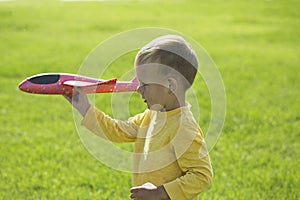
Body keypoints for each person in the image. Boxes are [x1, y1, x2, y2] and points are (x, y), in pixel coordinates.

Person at [64, 35, 213, 200]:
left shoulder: (183, 127)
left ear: (170, 85)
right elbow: (118, 131)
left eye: (144, 84)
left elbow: (201, 175)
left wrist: (161, 193)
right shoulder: (151, 116)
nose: (138, 90)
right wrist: (85, 108)